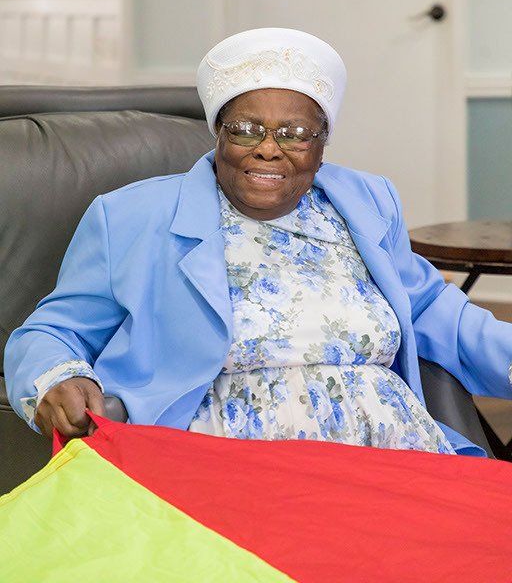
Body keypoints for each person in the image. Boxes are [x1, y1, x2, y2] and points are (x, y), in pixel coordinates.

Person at [5, 28, 511, 456]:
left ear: (322, 142)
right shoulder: (131, 217)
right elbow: (51, 331)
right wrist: (55, 378)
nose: (269, 149)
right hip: (222, 458)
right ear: (217, 133)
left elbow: (430, 310)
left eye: (295, 133)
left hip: (392, 451)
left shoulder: (367, 201)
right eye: (246, 129)